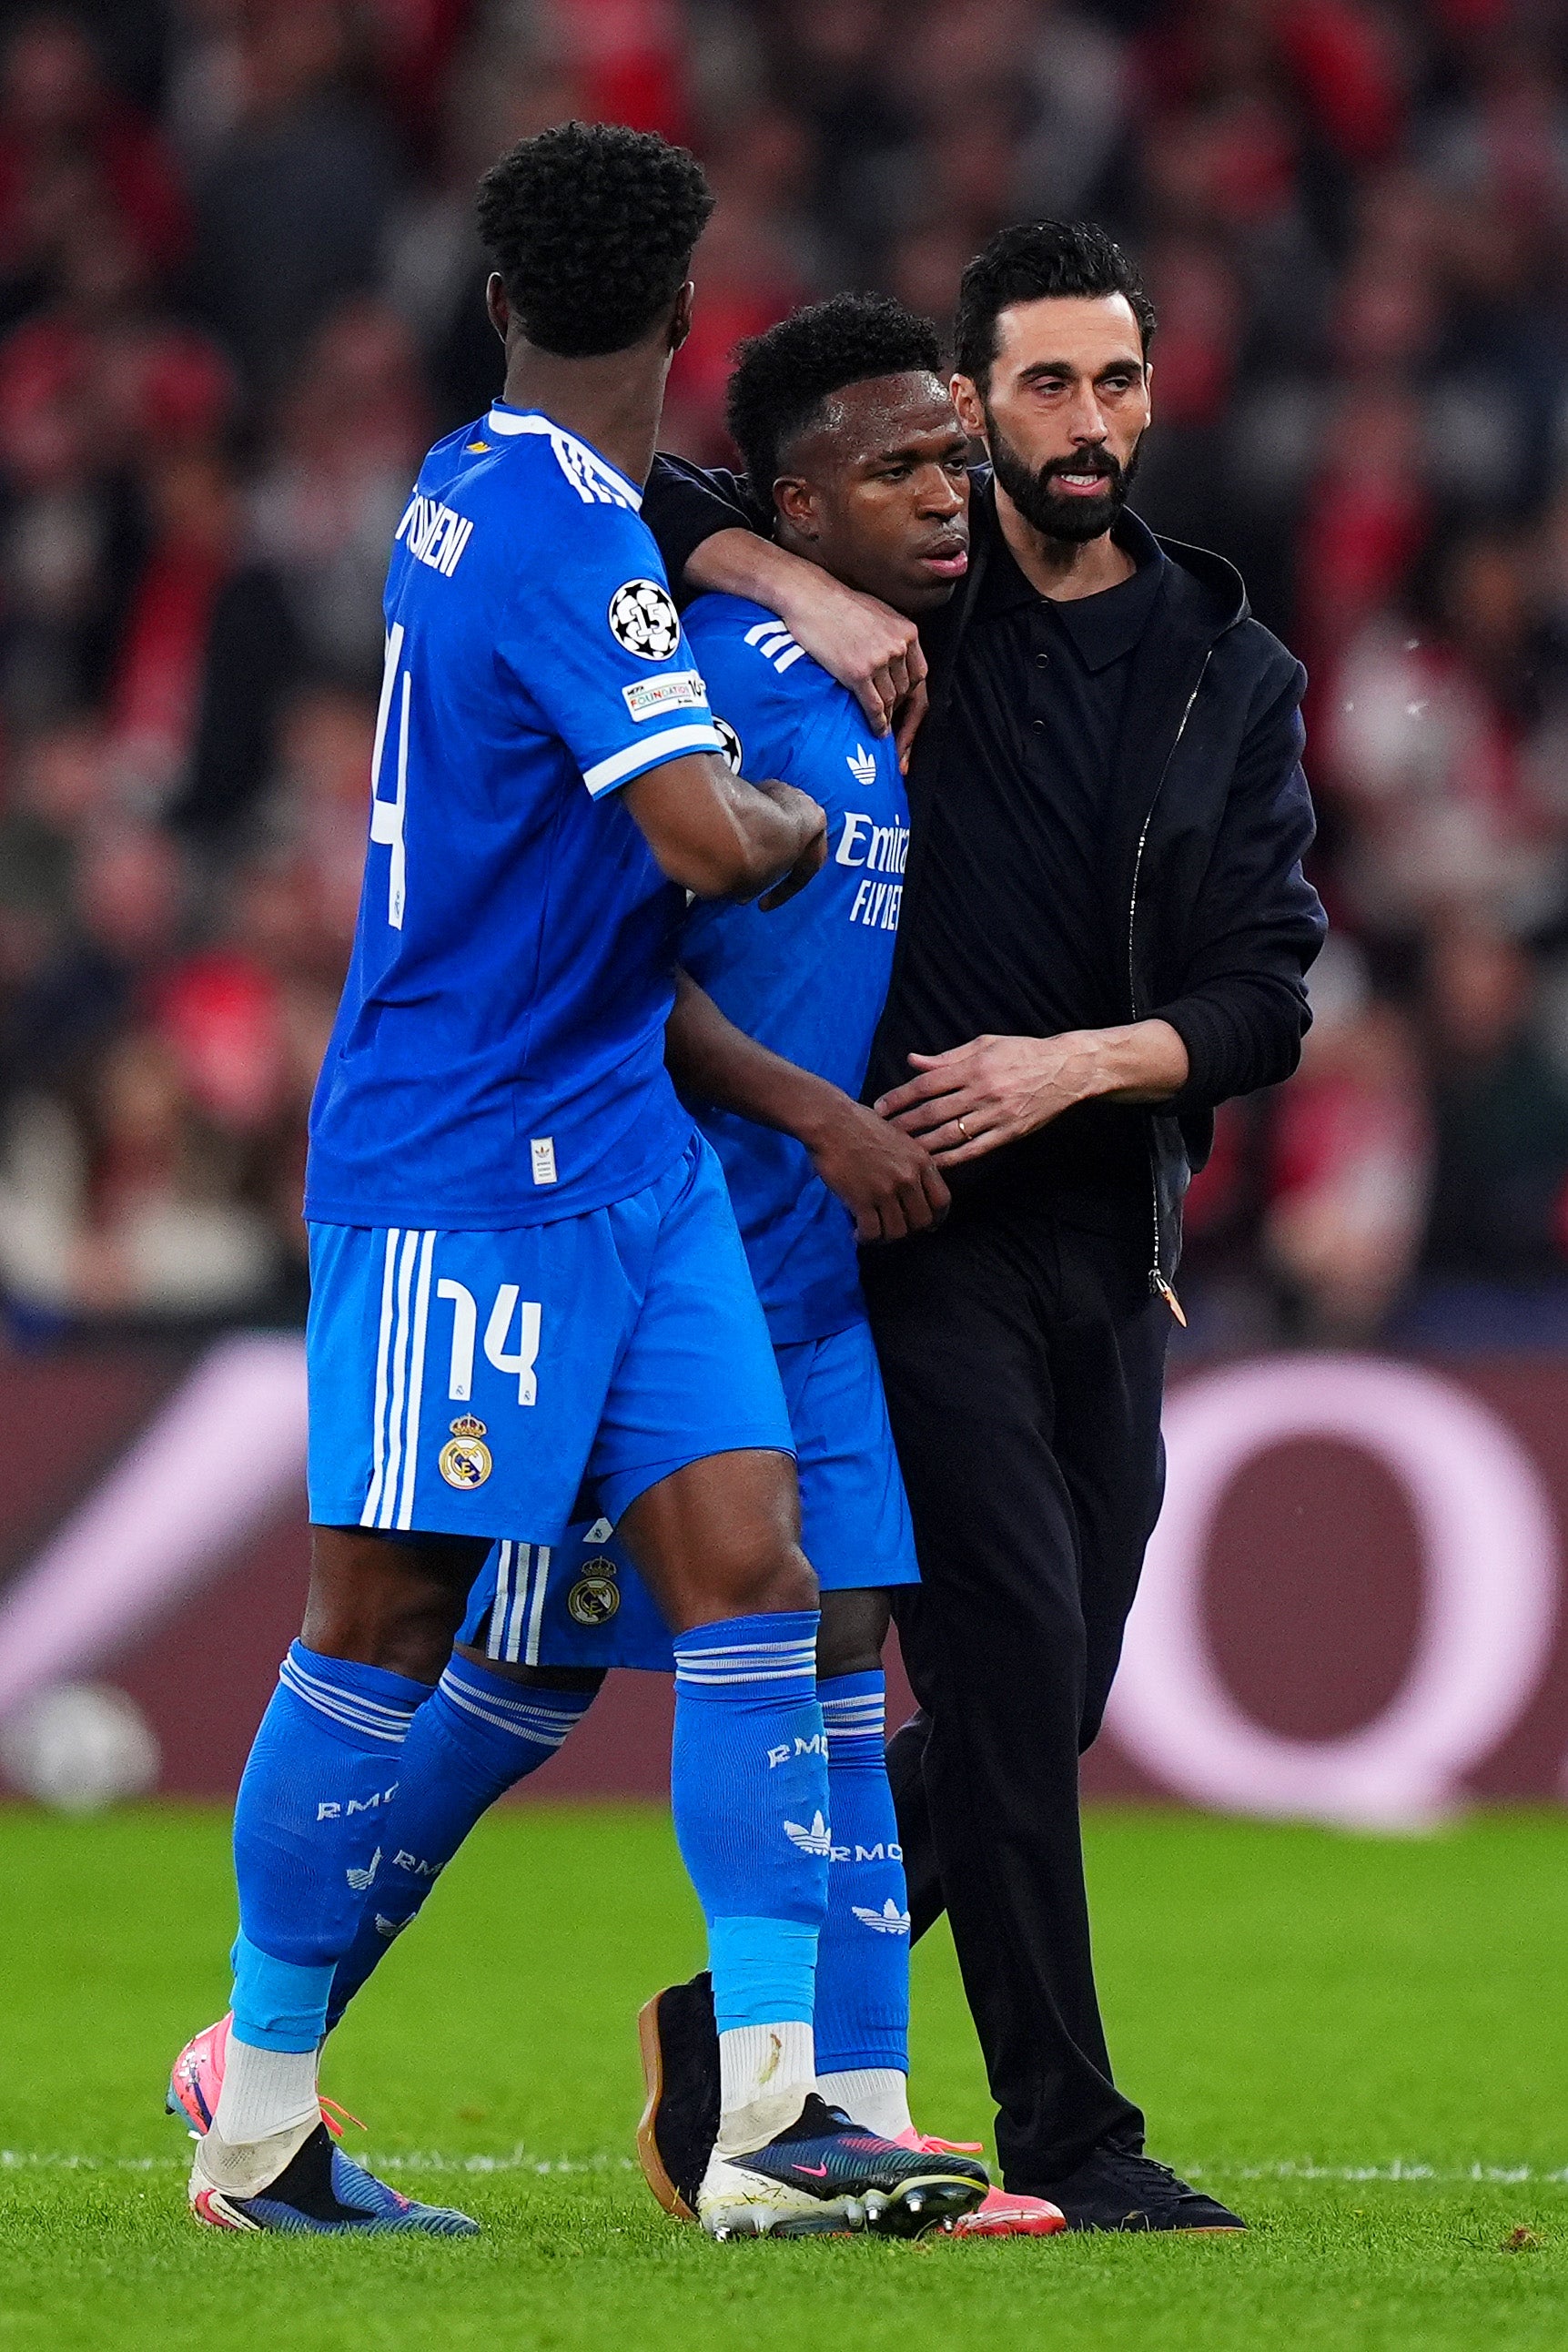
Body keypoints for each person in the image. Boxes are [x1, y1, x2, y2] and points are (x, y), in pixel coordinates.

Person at [167, 124, 987, 2246]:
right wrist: (803, 828)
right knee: (384, 1620)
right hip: (466, 1152)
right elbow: (706, 842)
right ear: (686, 314)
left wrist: (752, 576)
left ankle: (776, 2124)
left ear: (504, 302)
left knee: (754, 1570)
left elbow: (650, 546)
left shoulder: (472, 478)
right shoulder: (574, 545)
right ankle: (258, 2113)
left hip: (619, 1134)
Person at [636, 219, 1327, 2230]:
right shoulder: (901, 586)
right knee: (1017, 1663)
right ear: (968, 405)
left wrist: (1078, 1062)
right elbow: (670, 495)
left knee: (1059, 1684)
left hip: (1106, 1234)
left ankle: (719, 2025)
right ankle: (1069, 2135)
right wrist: (773, 570)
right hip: (908, 1233)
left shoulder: (1229, 667)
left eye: (1113, 382)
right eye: (1040, 386)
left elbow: (1265, 990)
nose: (1082, 422)